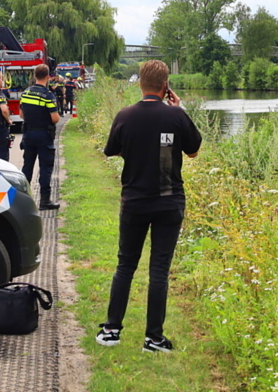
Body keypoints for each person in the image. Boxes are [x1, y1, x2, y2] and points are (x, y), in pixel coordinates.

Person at [96, 60, 202, 354]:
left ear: (140, 83)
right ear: (165, 86)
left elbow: (112, 150)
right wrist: (178, 109)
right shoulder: (176, 116)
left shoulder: (125, 116)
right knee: (159, 269)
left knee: (125, 265)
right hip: (169, 201)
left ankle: (111, 330)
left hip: (135, 201)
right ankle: (153, 338)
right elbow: (193, 151)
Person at [19, 64, 61, 210]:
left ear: (35, 76)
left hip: (28, 134)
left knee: (27, 167)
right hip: (44, 135)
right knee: (45, 168)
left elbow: (21, 115)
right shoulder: (48, 95)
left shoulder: (26, 93)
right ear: (48, 77)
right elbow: (55, 118)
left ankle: (23, 201)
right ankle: (44, 201)